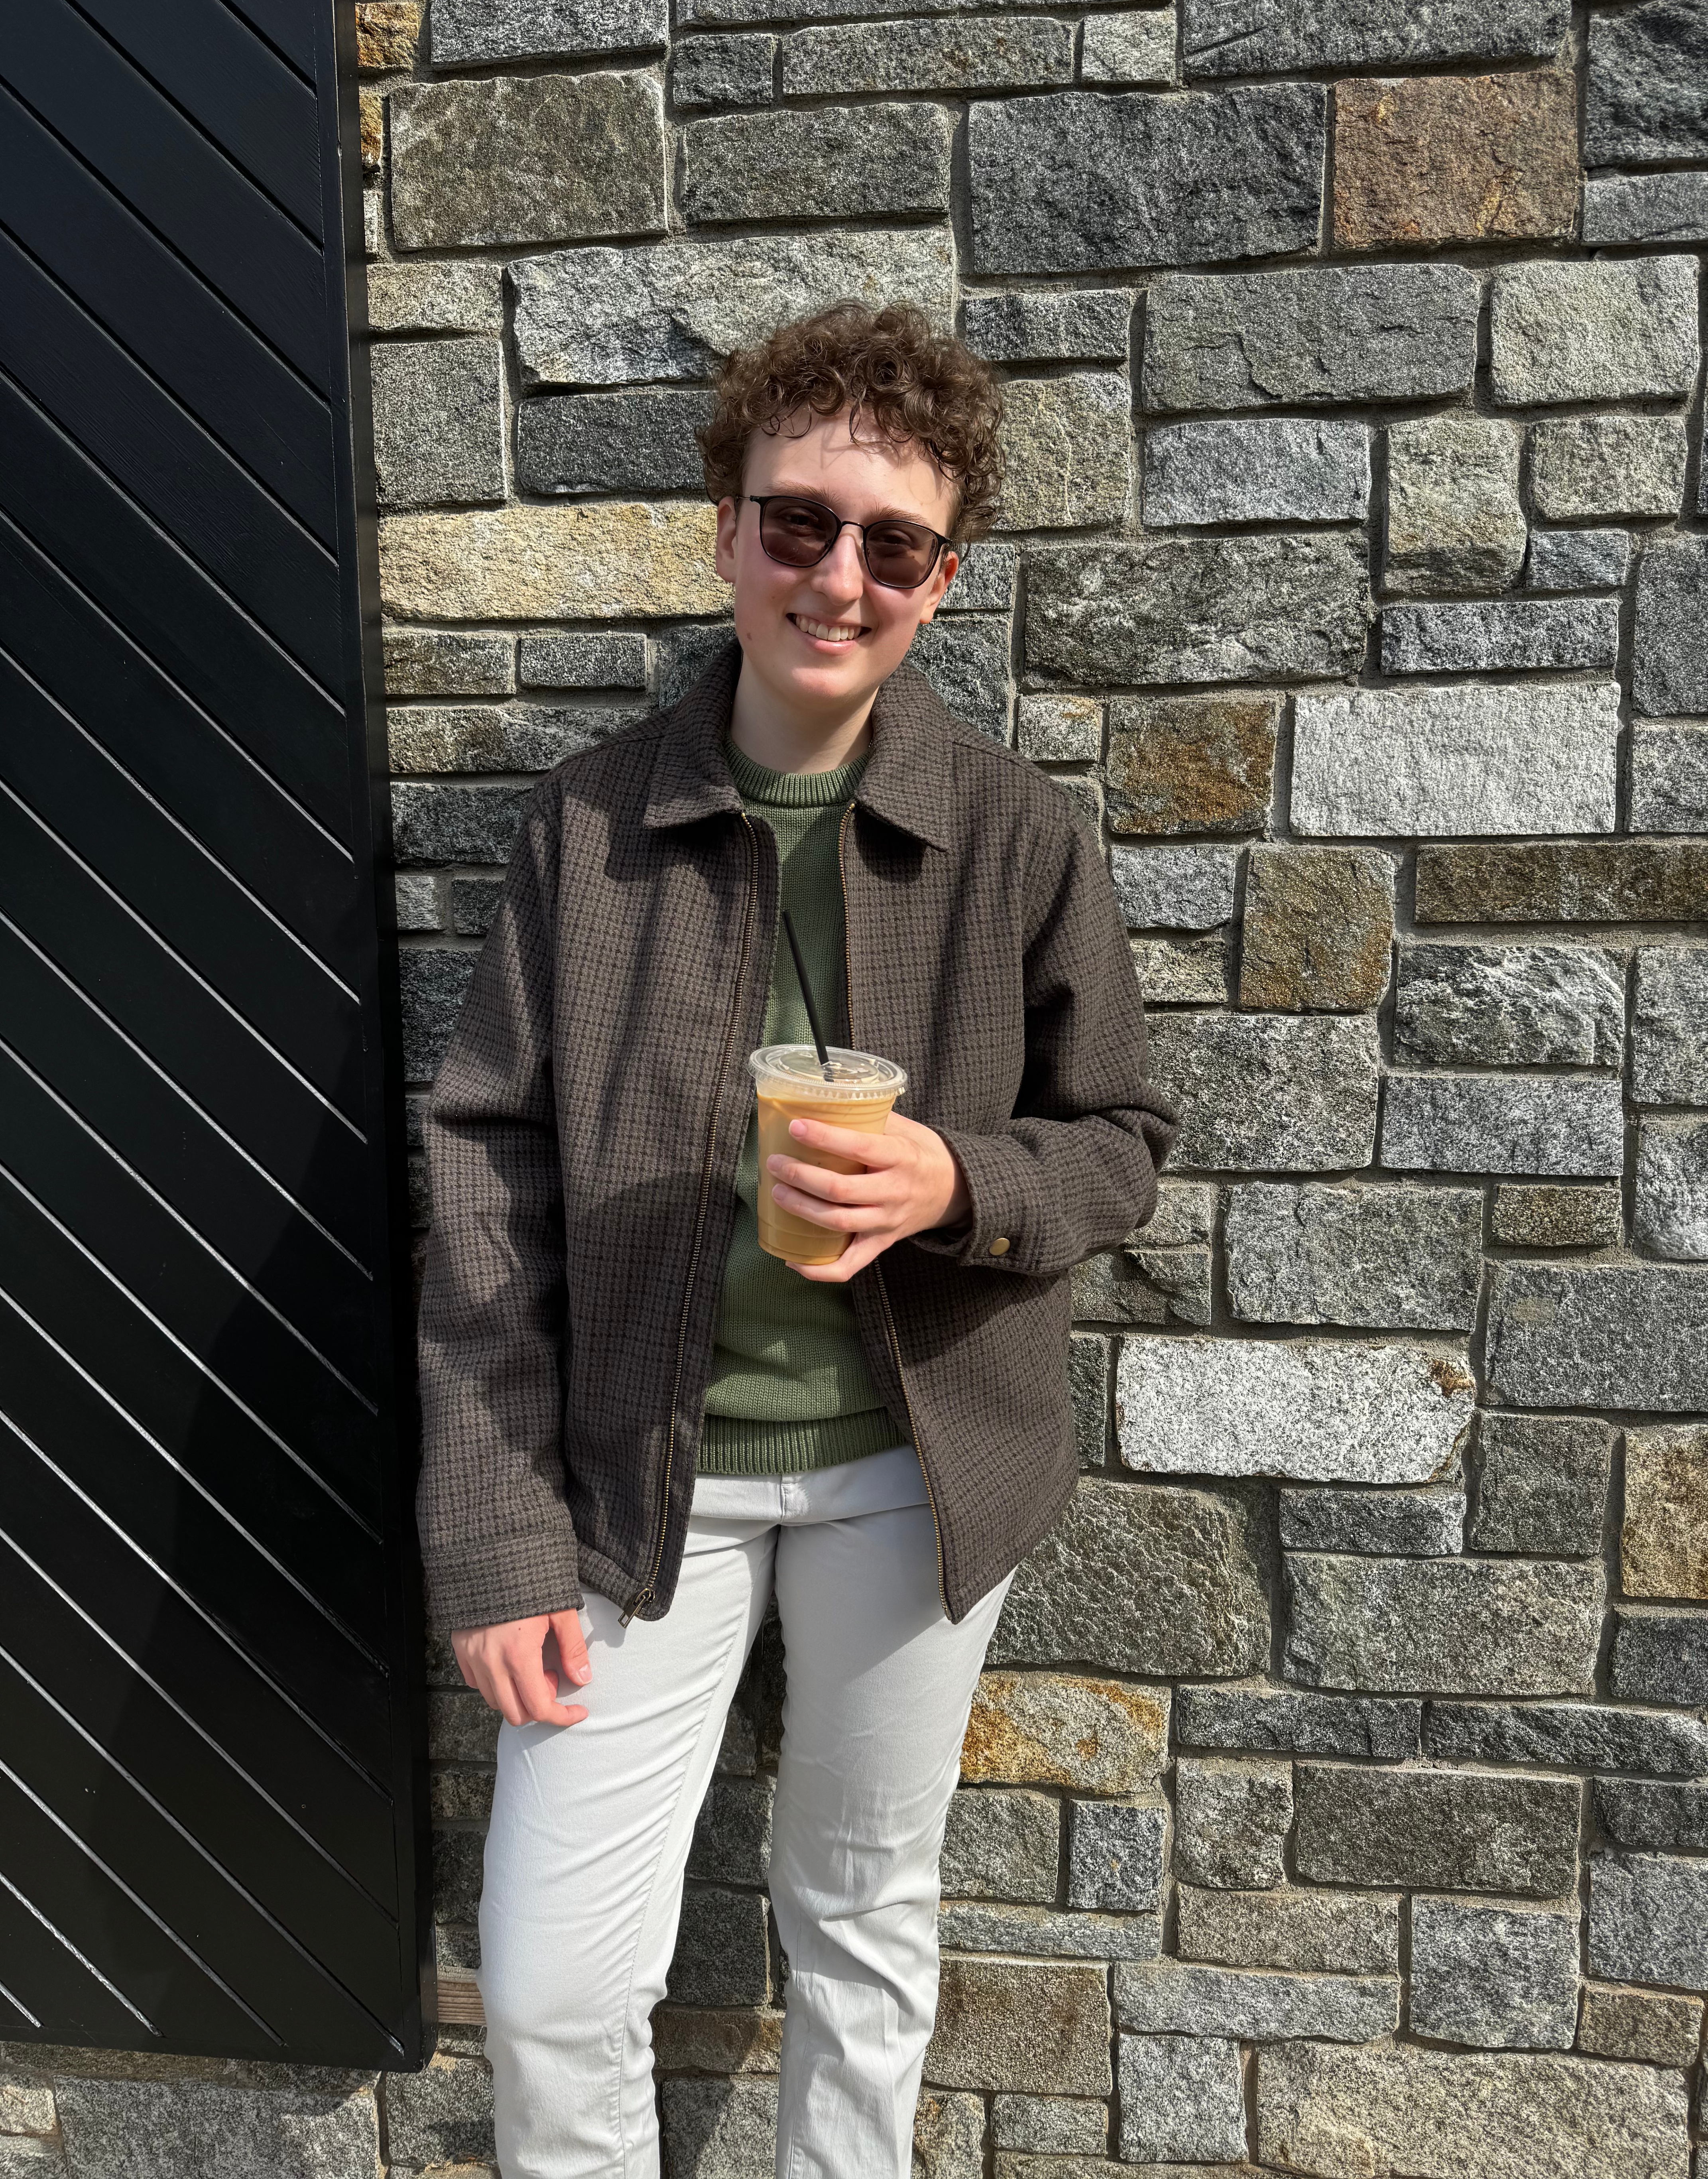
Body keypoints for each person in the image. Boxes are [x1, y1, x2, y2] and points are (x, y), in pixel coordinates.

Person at [416, 301, 1178, 2179]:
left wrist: (958, 1185)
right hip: (629, 1487)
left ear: (946, 575)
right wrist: (497, 1536)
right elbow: (484, 1171)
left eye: (894, 543)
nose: (839, 576)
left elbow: (1125, 1142)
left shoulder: (1015, 831)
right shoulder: (590, 827)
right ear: (727, 526)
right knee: (553, 1981)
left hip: (916, 1476)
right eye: (799, 521)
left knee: (861, 1920)